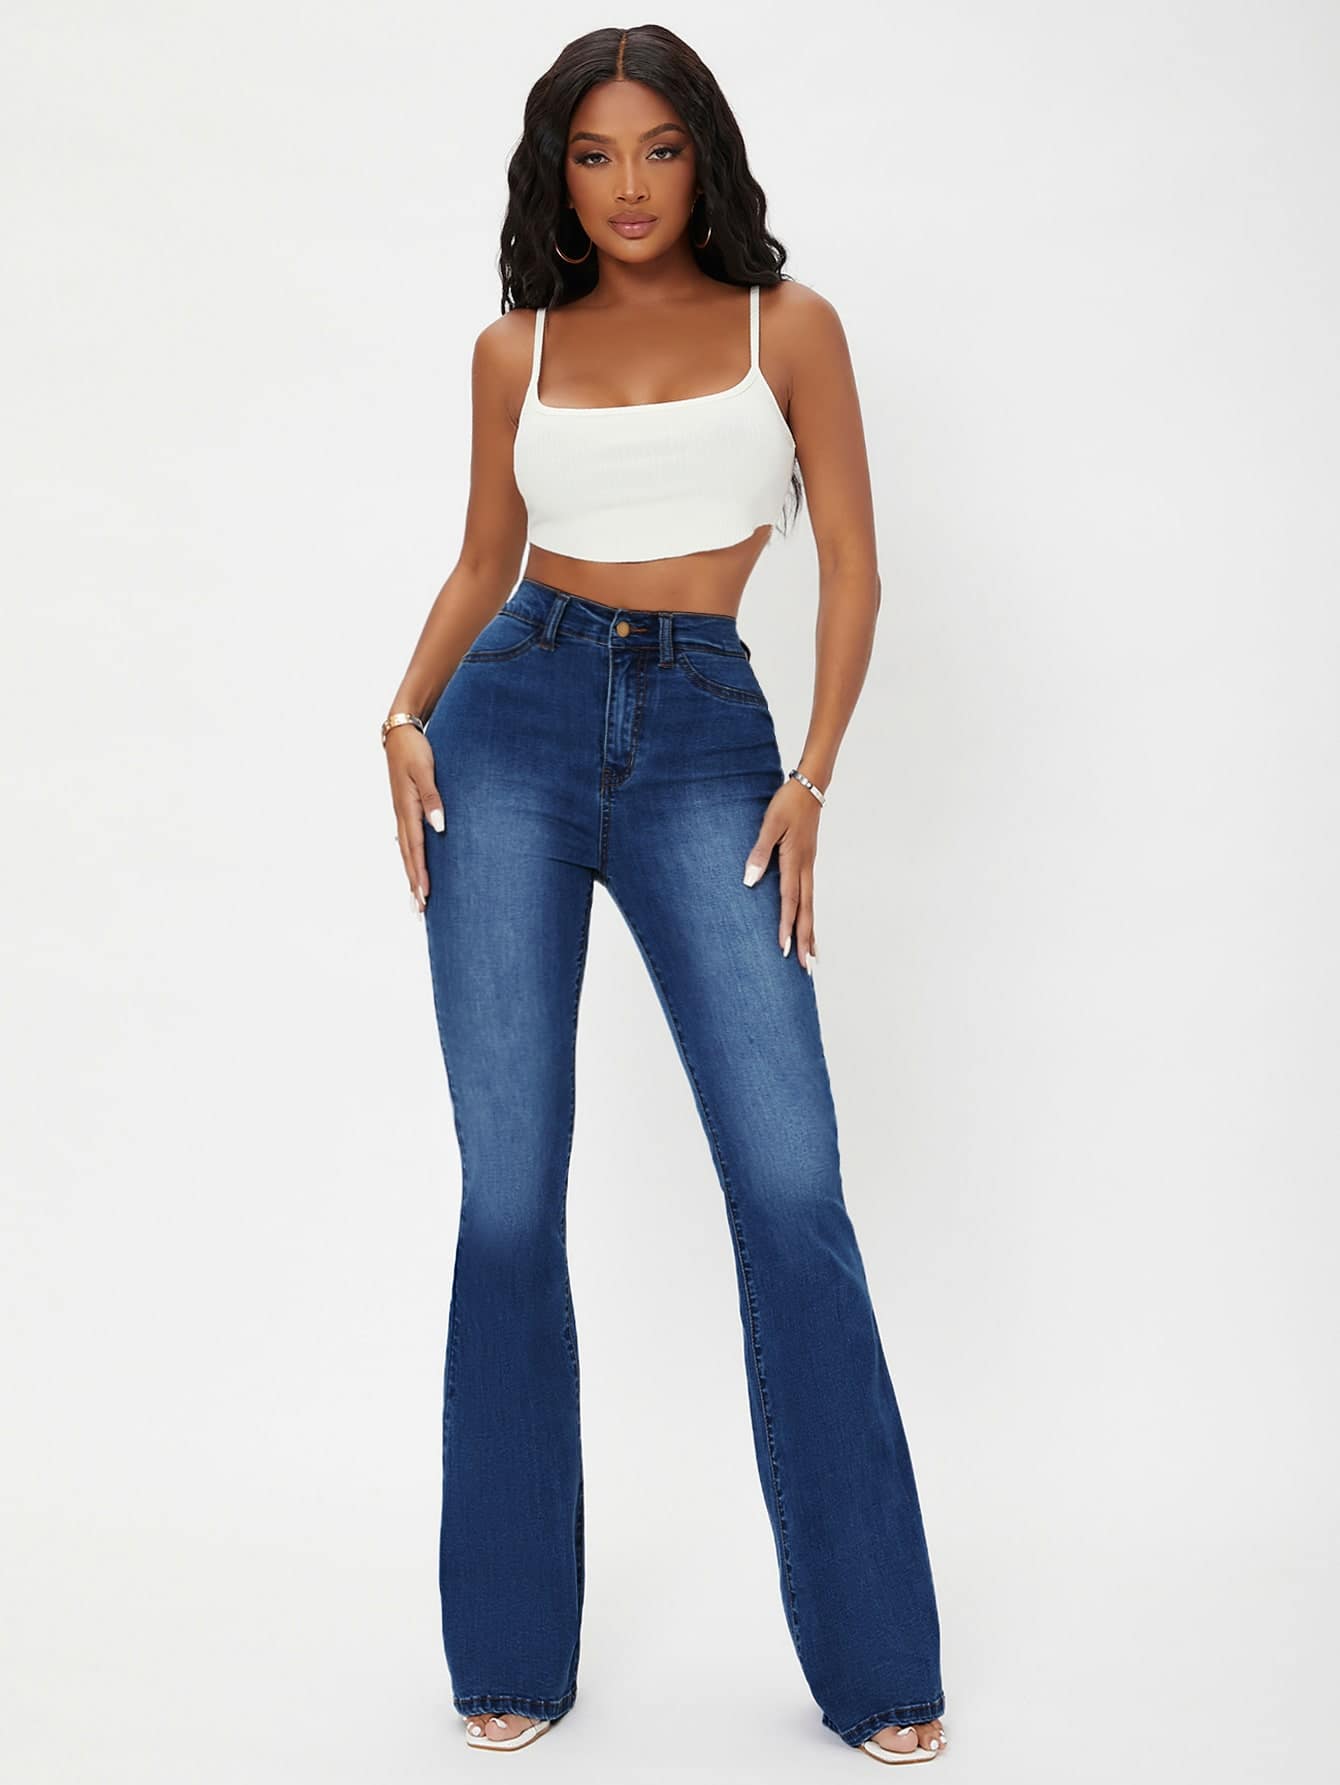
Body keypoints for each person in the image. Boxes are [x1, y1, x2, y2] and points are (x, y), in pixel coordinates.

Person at [382, 23, 949, 1766]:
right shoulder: (517, 347)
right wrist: (403, 714)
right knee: (507, 1197)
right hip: (509, 727)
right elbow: (485, 558)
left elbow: (852, 563)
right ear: (555, 175)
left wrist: (814, 774)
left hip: (711, 733)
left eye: (657, 149)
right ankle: (507, 1650)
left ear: (706, 155)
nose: (627, 186)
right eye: (592, 154)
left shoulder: (792, 328)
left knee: (791, 1187)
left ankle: (879, 1666)